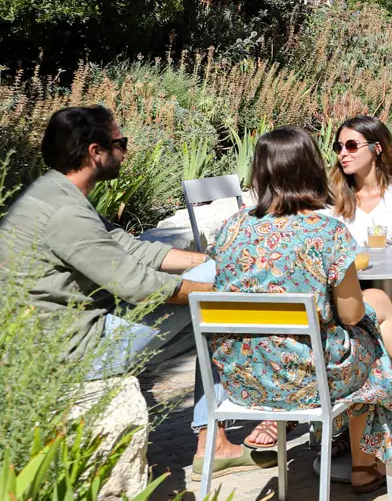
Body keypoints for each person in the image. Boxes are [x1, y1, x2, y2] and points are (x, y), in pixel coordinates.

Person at [205, 129, 392, 492]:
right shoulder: (325, 231)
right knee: (369, 334)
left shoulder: (230, 227)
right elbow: (350, 314)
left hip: (243, 381)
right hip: (307, 377)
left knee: (374, 312)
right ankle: (390, 447)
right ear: (312, 170)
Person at [0, 106, 246, 478]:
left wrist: (211, 260)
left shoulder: (53, 192)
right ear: (95, 152)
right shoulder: (65, 213)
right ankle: (224, 434)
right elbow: (139, 285)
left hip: (63, 334)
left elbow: (130, 248)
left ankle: (213, 440)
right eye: (120, 142)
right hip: (70, 351)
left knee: (212, 294)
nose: (125, 151)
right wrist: (223, 287)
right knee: (215, 308)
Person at [327, 115, 392, 317]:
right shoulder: (331, 195)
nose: (343, 154)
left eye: (352, 145)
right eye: (339, 147)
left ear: (377, 148)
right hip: (345, 282)